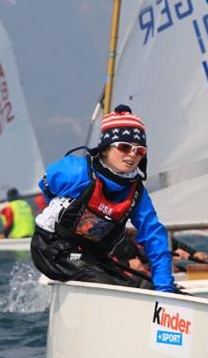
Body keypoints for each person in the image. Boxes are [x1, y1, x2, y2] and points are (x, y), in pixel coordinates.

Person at [30, 104, 174, 293]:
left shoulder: (137, 193)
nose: (132, 154)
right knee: (102, 282)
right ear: (105, 149)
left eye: (140, 151)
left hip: (89, 255)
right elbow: (47, 184)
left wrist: (165, 287)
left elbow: (154, 235)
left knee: (141, 286)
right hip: (51, 247)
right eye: (124, 147)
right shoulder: (76, 171)